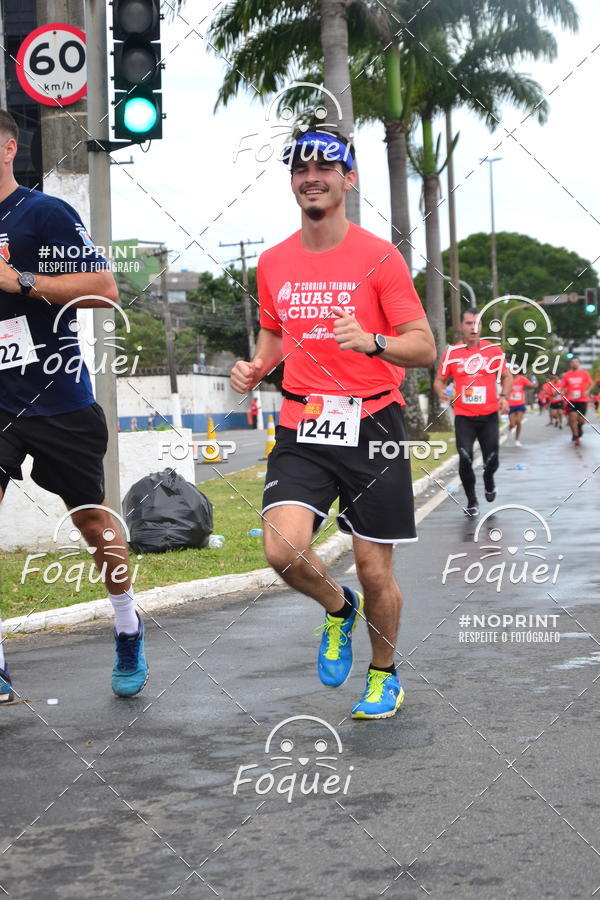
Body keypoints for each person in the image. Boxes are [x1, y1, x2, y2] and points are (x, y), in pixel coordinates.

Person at [230, 129, 436, 719]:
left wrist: (373, 341)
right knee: (282, 551)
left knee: (375, 569)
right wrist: (258, 364)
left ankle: (383, 674)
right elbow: (275, 331)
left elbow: (423, 347)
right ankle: (337, 608)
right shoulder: (273, 261)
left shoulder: (379, 256)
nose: (311, 175)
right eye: (300, 167)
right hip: (305, 422)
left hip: (373, 423)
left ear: (348, 179)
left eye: (326, 166)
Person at [0, 110, 148, 703]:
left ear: (9, 146)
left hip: (56, 398)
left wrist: (21, 282)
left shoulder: (44, 214)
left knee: (93, 523)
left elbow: (103, 290)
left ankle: (127, 626)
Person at [434, 308, 512, 516]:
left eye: (477, 324)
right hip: (464, 416)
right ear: (461, 326)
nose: (473, 328)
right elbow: (440, 380)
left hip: (488, 416)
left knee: (492, 459)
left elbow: (506, 376)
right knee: (465, 456)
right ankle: (471, 501)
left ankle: (489, 479)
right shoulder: (453, 353)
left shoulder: (493, 351)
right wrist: (442, 392)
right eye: (468, 323)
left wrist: (504, 396)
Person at [557, 357, 592, 446]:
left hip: (582, 400)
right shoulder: (567, 375)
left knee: (581, 421)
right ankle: (576, 437)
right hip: (571, 400)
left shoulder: (584, 373)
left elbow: (591, 384)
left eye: (576, 362)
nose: (574, 364)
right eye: (573, 362)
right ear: (570, 364)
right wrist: (561, 391)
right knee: (572, 419)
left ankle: (579, 427)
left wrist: (588, 391)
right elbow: (562, 386)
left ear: (579, 364)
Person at [508, 369, 533, 446]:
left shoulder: (522, 378)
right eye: (513, 369)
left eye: (516, 369)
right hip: (510, 404)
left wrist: (535, 383)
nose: (515, 371)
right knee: (512, 424)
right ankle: (510, 430)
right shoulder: (508, 378)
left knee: (518, 421)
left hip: (520, 403)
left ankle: (517, 440)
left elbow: (531, 385)